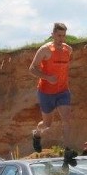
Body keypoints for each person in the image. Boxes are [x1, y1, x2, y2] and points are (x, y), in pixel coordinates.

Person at [29, 22, 73, 158]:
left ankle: (67, 150)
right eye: (59, 35)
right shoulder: (45, 50)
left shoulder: (68, 50)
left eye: (64, 36)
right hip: (46, 92)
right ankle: (36, 134)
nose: (61, 39)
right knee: (47, 124)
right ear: (52, 35)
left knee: (66, 118)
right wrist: (47, 77)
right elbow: (32, 69)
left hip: (63, 91)